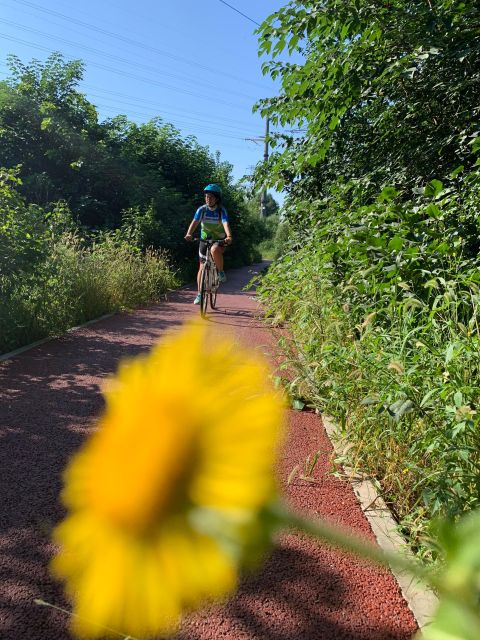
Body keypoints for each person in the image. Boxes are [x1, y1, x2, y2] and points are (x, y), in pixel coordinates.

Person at [184, 183, 233, 304]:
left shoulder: (221, 211)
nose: (208, 199)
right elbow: (195, 222)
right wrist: (189, 233)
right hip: (204, 240)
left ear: (216, 198)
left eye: (210, 197)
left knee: (214, 250)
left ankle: (221, 272)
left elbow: (226, 223)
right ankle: (200, 294)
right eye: (206, 196)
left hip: (219, 241)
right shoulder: (202, 210)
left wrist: (229, 236)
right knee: (201, 267)